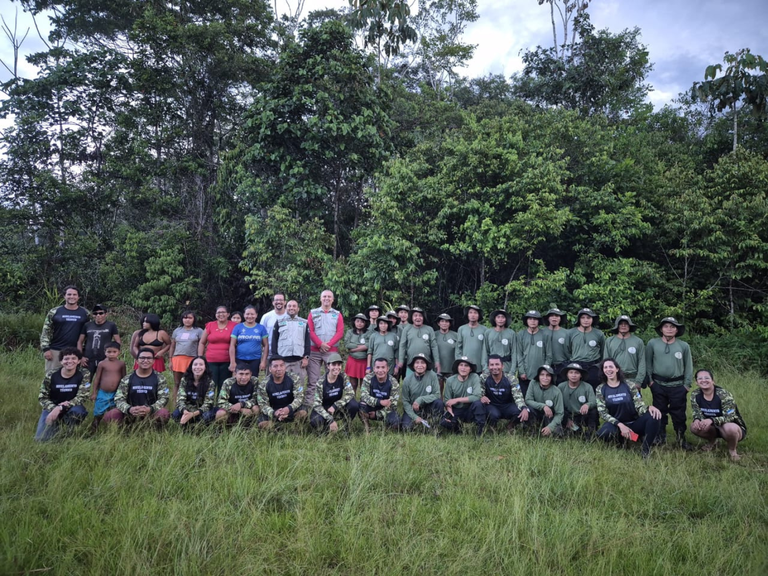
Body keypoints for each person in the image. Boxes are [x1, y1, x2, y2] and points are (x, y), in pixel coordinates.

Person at [596, 358, 662, 458]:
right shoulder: (600, 389)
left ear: (617, 369)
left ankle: (645, 449)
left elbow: (639, 404)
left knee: (654, 416)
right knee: (603, 433)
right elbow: (602, 413)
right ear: (603, 370)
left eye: (611, 367)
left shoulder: (629, 385)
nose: (608, 369)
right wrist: (620, 425)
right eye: (605, 367)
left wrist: (649, 408)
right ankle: (621, 441)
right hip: (616, 425)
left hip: (633, 423)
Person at [646, 316, 694, 450]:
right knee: (659, 412)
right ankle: (660, 436)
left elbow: (688, 366)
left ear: (677, 330)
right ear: (661, 329)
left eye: (673, 327)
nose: (669, 329)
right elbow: (648, 363)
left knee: (679, 413)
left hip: (678, 385)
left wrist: (686, 385)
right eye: (666, 326)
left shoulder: (683, 346)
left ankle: (680, 438)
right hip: (658, 384)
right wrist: (650, 381)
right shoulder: (652, 343)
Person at [102, 348, 171, 426]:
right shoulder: (127, 378)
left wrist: (150, 409)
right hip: (130, 413)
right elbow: (119, 399)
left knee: (164, 413)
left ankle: (153, 431)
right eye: (142, 358)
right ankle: (125, 430)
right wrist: (129, 409)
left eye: (149, 358)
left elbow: (164, 398)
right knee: (111, 415)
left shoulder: (160, 378)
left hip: (151, 413)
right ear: (137, 361)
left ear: (153, 361)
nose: (145, 360)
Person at [689, 369, 747, 461]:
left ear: (713, 381)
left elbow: (730, 416)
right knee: (694, 427)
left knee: (730, 428)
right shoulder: (695, 394)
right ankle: (712, 442)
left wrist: (711, 420)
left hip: (732, 426)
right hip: (713, 427)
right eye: (700, 378)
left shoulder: (724, 394)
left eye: (707, 378)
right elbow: (697, 412)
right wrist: (696, 420)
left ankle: (732, 450)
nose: (703, 380)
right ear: (696, 382)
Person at [35, 347, 90, 441]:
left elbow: (83, 396)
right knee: (41, 439)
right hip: (52, 408)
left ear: (78, 361)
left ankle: (69, 431)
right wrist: (54, 408)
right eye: (66, 358)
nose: (70, 361)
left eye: (73, 358)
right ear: (61, 361)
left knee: (78, 412)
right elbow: (42, 397)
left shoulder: (84, 374)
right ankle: (55, 425)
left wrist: (61, 408)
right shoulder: (51, 375)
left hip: (72, 407)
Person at [307, 290, 344, 410]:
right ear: (320, 298)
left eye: (329, 297)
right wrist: (319, 344)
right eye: (324, 296)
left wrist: (328, 345)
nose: (326, 298)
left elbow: (340, 332)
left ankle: (331, 404)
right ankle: (310, 406)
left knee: (332, 379)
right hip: (314, 351)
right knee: (313, 380)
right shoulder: (313, 313)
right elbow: (310, 331)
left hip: (331, 352)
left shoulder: (337, 314)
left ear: (333, 300)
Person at [475, 354, 529, 434]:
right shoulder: (483, 377)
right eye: (492, 365)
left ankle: (510, 426)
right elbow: (479, 393)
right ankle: (492, 428)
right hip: (491, 405)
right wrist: (481, 397)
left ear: (502, 366)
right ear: (488, 367)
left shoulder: (511, 378)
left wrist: (524, 408)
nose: (494, 367)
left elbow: (518, 397)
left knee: (519, 411)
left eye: (497, 364)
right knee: (492, 414)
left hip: (506, 405)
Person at [40, 285, 89, 372]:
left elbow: (89, 334)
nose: (72, 297)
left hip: (76, 352)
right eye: (69, 294)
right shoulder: (54, 312)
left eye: (74, 295)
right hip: (56, 351)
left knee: (73, 380)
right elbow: (46, 331)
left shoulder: (85, 313)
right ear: (64, 296)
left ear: (78, 297)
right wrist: (46, 349)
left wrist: (84, 353)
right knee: (52, 378)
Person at [310, 353, 359, 433]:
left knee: (354, 405)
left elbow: (350, 393)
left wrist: (336, 405)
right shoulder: (321, 382)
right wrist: (330, 419)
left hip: (336, 407)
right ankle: (324, 432)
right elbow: (316, 405)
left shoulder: (343, 376)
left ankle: (346, 428)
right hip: (323, 409)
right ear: (328, 366)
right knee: (315, 421)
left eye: (339, 364)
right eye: (333, 364)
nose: (336, 367)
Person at [256, 357, 307, 429]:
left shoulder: (294, 378)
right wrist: (274, 413)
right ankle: (278, 429)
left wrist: (288, 409)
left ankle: (296, 429)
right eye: (275, 366)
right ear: (270, 369)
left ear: (285, 367)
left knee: (303, 412)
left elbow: (299, 397)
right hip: (274, 411)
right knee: (262, 424)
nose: (279, 369)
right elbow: (263, 405)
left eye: (281, 365)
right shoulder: (264, 384)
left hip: (291, 409)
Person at [440, 357, 484, 435]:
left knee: (478, 404)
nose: (463, 368)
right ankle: (458, 429)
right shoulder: (450, 380)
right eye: (461, 365)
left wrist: (457, 400)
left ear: (470, 369)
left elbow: (477, 396)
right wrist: (449, 409)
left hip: (470, 409)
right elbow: (447, 400)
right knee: (444, 422)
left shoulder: (474, 377)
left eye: (466, 365)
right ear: (457, 367)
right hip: (457, 409)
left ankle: (480, 432)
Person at [198, 305, 237, 393]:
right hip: (211, 360)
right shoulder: (210, 325)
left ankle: (221, 404)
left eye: (223, 312)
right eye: (218, 312)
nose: (221, 314)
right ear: (215, 315)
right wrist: (200, 357)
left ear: (228, 314)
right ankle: (209, 404)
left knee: (223, 384)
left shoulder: (234, 326)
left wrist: (233, 361)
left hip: (227, 360)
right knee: (210, 383)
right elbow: (202, 342)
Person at [400, 353, 444, 431]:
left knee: (439, 403)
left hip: (428, 407)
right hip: (413, 409)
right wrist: (415, 417)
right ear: (413, 365)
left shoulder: (432, 376)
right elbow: (405, 401)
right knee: (406, 428)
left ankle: (434, 427)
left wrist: (420, 399)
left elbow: (437, 394)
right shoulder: (407, 379)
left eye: (423, 363)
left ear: (426, 365)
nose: (420, 365)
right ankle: (414, 421)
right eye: (417, 362)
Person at [271, 300, 310, 384]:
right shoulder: (279, 322)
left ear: (298, 309)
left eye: (294, 306)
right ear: (286, 308)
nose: (291, 308)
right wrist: (275, 358)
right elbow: (274, 340)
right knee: (282, 384)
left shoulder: (304, 322)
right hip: (283, 361)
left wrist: (306, 357)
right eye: (289, 306)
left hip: (299, 362)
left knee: (299, 385)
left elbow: (307, 341)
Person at [90, 342, 126, 431]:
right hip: (103, 393)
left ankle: (116, 429)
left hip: (116, 393)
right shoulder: (102, 364)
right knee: (98, 412)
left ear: (119, 352)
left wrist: (124, 392)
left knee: (116, 411)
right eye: (109, 352)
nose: (111, 354)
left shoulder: (121, 364)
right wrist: (94, 392)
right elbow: (97, 378)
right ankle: (94, 429)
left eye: (114, 352)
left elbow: (124, 379)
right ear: (105, 352)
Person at [171, 356, 217, 427]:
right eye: (195, 364)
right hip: (187, 409)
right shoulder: (185, 380)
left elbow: (208, 403)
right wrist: (185, 411)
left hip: (201, 410)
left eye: (201, 365)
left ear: (205, 367)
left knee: (207, 416)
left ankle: (200, 428)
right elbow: (180, 399)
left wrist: (192, 414)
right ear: (191, 367)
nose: (198, 367)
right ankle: (186, 426)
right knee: (175, 414)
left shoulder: (210, 382)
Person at [169, 310, 204, 402]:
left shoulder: (199, 331)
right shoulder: (177, 330)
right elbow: (172, 346)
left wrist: (201, 358)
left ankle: (191, 401)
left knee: (191, 382)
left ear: (194, 319)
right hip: (177, 359)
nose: (187, 320)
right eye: (185, 318)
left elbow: (203, 344)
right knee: (177, 383)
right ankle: (174, 402)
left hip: (192, 360)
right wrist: (170, 360)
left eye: (189, 318)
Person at [77, 304, 120, 376]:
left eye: (101, 313)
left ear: (106, 314)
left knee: (104, 382)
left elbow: (117, 341)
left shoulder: (111, 325)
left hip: (104, 359)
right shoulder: (87, 325)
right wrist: (80, 357)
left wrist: (112, 355)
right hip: (88, 360)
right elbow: (80, 341)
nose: (98, 315)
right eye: (95, 313)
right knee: (85, 383)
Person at [359, 358, 401, 433]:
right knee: (361, 405)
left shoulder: (394, 383)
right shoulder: (368, 378)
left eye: (383, 367)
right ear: (374, 368)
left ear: (387, 369)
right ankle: (367, 429)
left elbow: (393, 405)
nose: (380, 370)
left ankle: (386, 429)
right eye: (378, 367)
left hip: (385, 409)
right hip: (372, 405)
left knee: (396, 422)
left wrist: (377, 414)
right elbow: (363, 396)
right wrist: (379, 402)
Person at [604, 315, 646, 387]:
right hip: (615, 378)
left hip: (633, 379)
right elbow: (606, 362)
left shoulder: (638, 341)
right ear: (617, 326)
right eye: (621, 324)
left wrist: (638, 381)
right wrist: (608, 378)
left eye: (626, 324)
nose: (623, 326)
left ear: (630, 326)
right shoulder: (609, 341)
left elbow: (642, 362)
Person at [397, 307, 440, 376]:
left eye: (420, 316)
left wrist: (437, 362)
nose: (418, 318)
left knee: (426, 384)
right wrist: (401, 361)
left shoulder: (429, 329)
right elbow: (402, 346)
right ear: (411, 317)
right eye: (415, 315)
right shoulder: (407, 329)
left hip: (426, 363)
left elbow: (434, 346)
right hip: (410, 363)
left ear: (423, 317)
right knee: (410, 383)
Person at [557, 362, 597, 437]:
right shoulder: (561, 386)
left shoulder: (587, 387)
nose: (573, 375)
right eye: (571, 372)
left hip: (582, 414)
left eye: (577, 373)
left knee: (593, 411)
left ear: (581, 375)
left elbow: (593, 401)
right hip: (568, 415)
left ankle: (591, 433)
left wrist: (587, 405)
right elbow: (558, 405)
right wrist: (567, 419)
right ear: (567, 374)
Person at [568, 308, 605, 389]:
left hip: (594, 365)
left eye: (588, 318)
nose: (586, 320)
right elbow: (567, 350)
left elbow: (603, 351)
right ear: (579, 319)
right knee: (577, 388)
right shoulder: (571, 333)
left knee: (594, 388)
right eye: (583, 318)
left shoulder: (599, 333)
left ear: (592, 319)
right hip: (576, 364)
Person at [516, 310, 550, 396]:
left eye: (535, 319)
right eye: (530, 319)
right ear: (526, 321)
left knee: (540, 397)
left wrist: (545, 372)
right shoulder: (521, 334)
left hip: (540, 374)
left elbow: (549, 355)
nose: (533, 321)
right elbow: (519, 354)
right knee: (524, 397)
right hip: (525, 374)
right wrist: (521, 371)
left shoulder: (545, 335)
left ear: (539, 321)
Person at [525, 365, 564, 437]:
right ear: (538, 376)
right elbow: (528, 400)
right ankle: (532, 431)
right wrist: (543, 406)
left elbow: (560, 413)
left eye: (548, 375)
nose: (545, 378)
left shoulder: (556, 391)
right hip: (536, 413)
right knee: (528, 410)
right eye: (542, 375)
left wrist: (550, 427)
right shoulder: (533, 383)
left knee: (557, 433)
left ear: (552, 377)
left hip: (550, 416)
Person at [229, 305, 268, 376]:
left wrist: (263, 361)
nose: (250, 316)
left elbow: (266, 345)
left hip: (255, 359)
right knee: (240, 379)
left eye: (252, 314)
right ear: (244, 315)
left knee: (253, 380)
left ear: (256, 315)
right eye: (247, 314)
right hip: (240, 359)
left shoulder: (261, 328)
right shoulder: (238, 327)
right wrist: (232, 361)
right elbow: (232, 345)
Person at [455, 305, 486, 373]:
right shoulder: (461, 329)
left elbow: (486, 349)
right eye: (470, 312)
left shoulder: (484, 330)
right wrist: (458, 362)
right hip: (465, 365)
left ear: (478, 315)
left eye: (475, 313)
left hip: (479, 366)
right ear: (467, 315)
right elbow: (458, 347)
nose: (473, 315)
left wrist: (485, 365)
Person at [484, 309, 517, 375]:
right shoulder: (488, 333)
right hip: (492, 366)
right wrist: (485, 368)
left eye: (503, 317)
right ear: (495, 319)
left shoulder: (511, 333)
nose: (500, 319)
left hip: (506, 366)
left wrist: (512, 370)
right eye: (498, 317)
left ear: (506, 319)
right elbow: (485, 351)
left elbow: (514, 352)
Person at [344, 314, 369, 391]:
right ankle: (352, 400)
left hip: (364, 361)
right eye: (357, 321)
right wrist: (361, 346)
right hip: (353, 361)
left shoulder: (368, 333)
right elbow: (347, 344)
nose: (359, 323)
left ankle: (363, 401)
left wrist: (354, 349)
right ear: (354, 322)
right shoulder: (350, 332)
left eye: (362, 322)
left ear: (365, 323)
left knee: (363, 384)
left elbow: (369, 345)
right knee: (353, 384)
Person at [435, 313, 458, 392]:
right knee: (438, 389)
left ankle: (450, 404)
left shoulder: (456, 335)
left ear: (450, 323)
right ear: (438, 323)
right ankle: (440, 404)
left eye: (447, 321)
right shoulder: (434, 335)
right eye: (442, 321)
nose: (444, 323)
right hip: (437, 368)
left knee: (451, 389)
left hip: (451, 368)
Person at [260, 292, 287, 357]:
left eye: (281, 300)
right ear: (273, 302)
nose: (278, 302)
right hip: (269, 353)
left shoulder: (290, 316)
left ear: (285, 302)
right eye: (276, 300)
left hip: (286, 353)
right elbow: (261, 334)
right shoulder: (266, 317)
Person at [544, 307, 569, 374]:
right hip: (545, 365)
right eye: (552, 316)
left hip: (562, 365)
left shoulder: (567, 333)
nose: (554, 318)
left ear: (560, 318)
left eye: (557, 316)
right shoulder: (542, 332)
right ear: (548, 318)